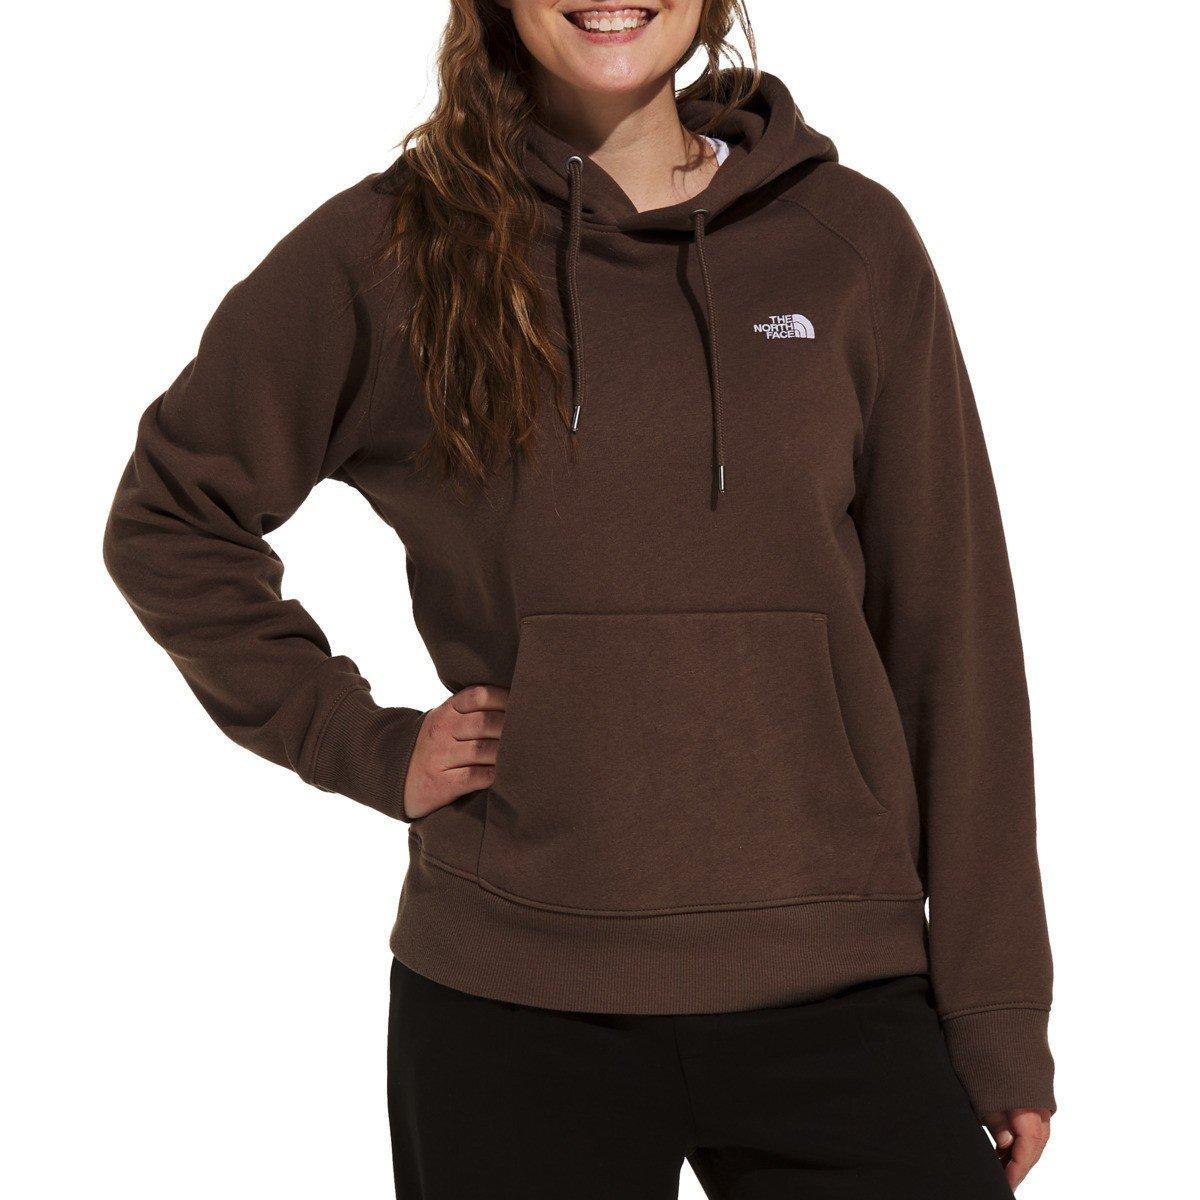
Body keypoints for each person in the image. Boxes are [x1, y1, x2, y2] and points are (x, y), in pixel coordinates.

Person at [104, 1, 1055, 1195]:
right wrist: (363, 742)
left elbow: (954, 639)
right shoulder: (400, 248)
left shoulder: (847, 244)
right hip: (512, 1000)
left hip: (836, 982)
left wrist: (998, 1005)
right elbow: (171, 517)